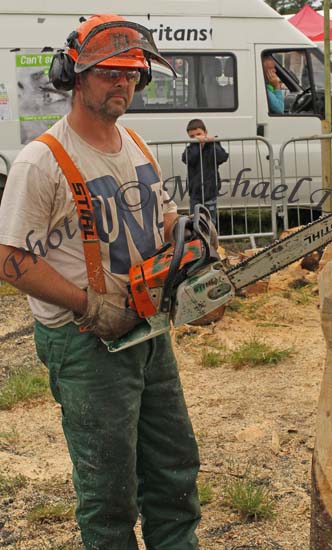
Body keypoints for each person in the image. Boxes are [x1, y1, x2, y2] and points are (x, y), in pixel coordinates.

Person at [0, 14, 202, 549]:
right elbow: (8, 256)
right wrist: (89, 305)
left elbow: (160, 221)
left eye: (132, 74)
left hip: (148, 328)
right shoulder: (42, 161)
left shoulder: (134, 143)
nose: (123, 84)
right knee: (109, 490)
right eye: (109, 72)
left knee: (174, 468)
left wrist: (189, 254)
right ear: (75, 75)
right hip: (85, 342)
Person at [182, 118, 228, 226]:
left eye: (199, 134)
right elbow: (187, 159)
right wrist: (197, 145)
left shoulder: (213, 145)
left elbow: (222, 157)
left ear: (205, 132)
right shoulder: (191, 148)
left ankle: (210, 241)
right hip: (195, 192)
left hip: (210, 191)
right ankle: (197, 241)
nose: (197, 137)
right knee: (195, 220)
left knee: (211, 220)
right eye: (192, 136)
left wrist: (211, 143)